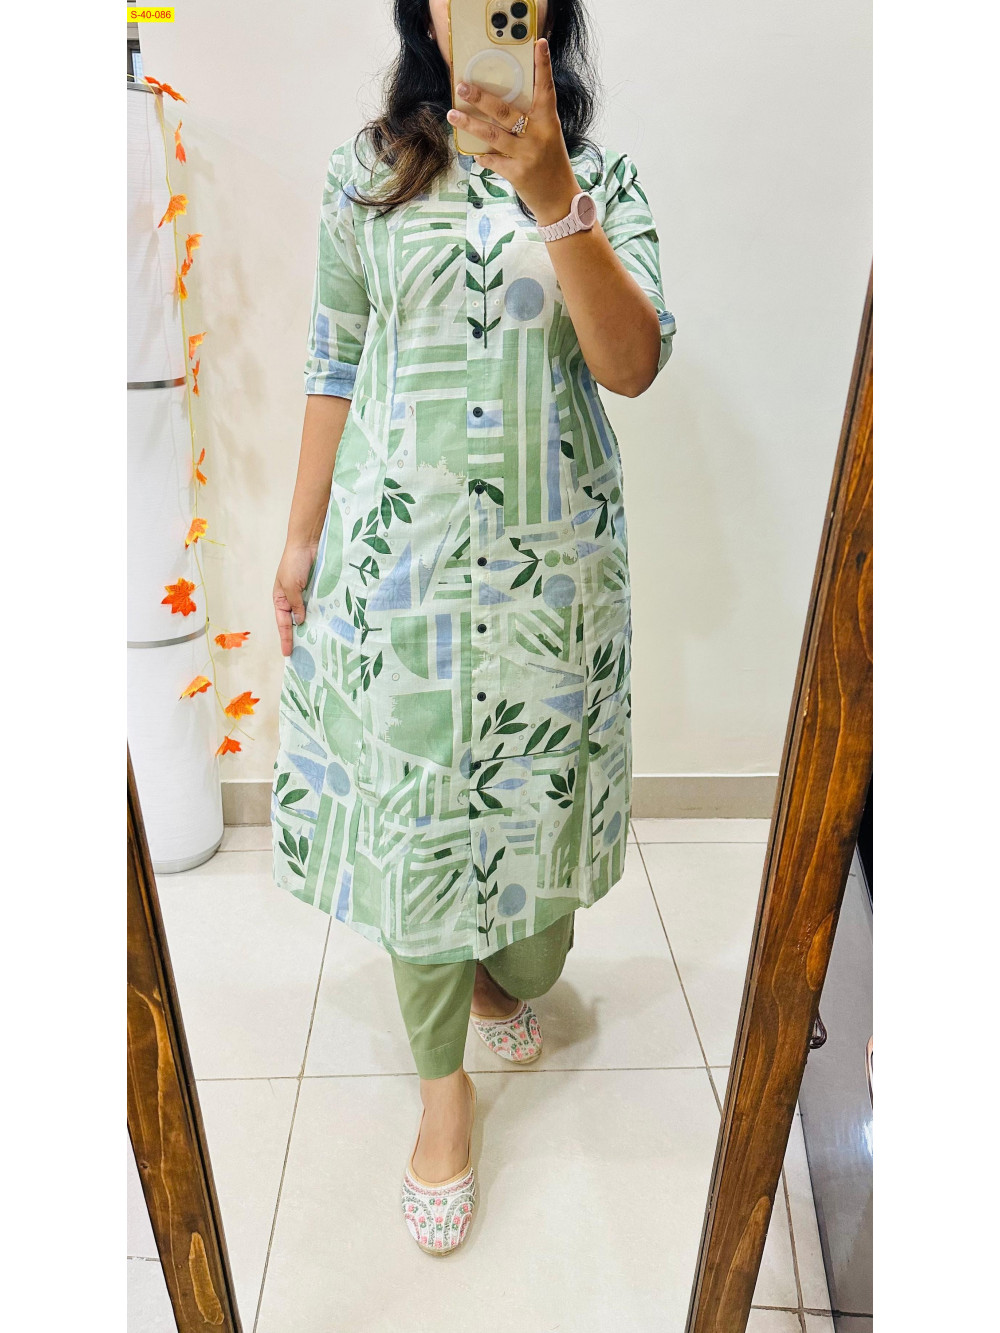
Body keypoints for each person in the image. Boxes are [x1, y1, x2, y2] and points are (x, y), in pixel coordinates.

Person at [271, 0, 675, 1255]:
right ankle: (442, 1092)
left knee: (538, 914)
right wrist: (299, 539)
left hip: (550, 583)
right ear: (426, 12)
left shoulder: (600, 178)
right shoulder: (367, 176)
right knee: (418, 834)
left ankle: (504, 966)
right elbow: (334, 361)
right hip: (400, 569)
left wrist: (553, 195)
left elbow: (631, 365)